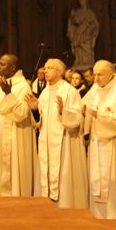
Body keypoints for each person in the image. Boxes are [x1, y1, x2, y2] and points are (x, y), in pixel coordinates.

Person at [25, 58, 87, 209]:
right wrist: (34, 110)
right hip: (46, 145)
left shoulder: (69, 91)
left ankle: (64, 209)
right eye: (45, 68)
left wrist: (63, 112)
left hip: (64, 144)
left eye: (49, 68)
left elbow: (78, 118)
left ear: (59, 72)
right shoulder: (45, 92)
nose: (45, 71)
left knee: (63, 178)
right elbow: (39, 122)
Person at [83, 59, 116, 219]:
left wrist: (102, 116)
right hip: (96, 142)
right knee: (96, 179)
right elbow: (84, 106)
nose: (95, 79)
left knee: (112, 181)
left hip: (113, 143)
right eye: (95, 74)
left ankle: (114, 216)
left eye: (100, 75)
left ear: (111, 74)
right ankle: (97, 215)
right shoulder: (96, 88)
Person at [0, 54, 38, 197]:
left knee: (13, 181)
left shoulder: (23, 87)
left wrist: (9, 93)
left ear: (13, 67)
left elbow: (21, 114)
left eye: (2, 64)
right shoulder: (2, 85)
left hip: (15, 139)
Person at [67, 0, 99, 70]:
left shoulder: (90, 13)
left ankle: (88, 61)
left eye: (83, 0)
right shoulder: (77, 12)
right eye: (80, 0)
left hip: (87, 35)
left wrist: (89, 28)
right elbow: (73, 22)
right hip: (78, 34)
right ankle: (79, 61)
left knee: (87, 49)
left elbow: (95, 24)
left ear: (86, 1)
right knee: (79, 50)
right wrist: (72, 18)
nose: (82, 1)